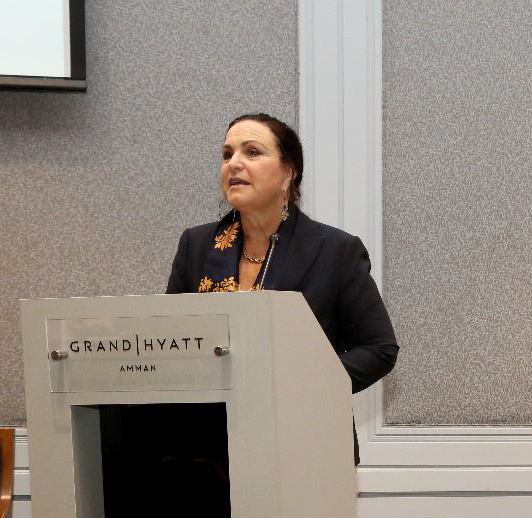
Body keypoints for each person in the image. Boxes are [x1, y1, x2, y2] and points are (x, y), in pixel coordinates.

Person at [166, 113, 398, 462]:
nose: (234, 164)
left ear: (288, 173)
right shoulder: (196, 245)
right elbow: (171, 345)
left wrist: (301, 384)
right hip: (208, 450)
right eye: (227, 155)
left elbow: (379, 349)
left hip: (306, 443)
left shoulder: (335, 251)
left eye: (252, 152)